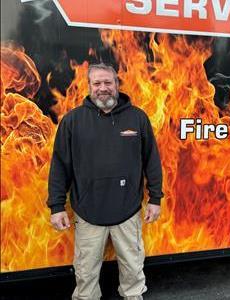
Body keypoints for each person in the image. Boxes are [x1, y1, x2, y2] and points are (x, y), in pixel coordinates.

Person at [47, 63, 163, 300]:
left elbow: (152, 160)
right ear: (89, 87)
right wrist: (57, 207)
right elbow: (59, 167)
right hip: (88, 212)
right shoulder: (72, 122)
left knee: (133, 266)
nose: (103, 88)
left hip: (128, 210)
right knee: (85, 271)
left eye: (108, 83)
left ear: (117, 85)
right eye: (97, 83)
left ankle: (133, 296)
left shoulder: (137, 118)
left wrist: (155, 199)